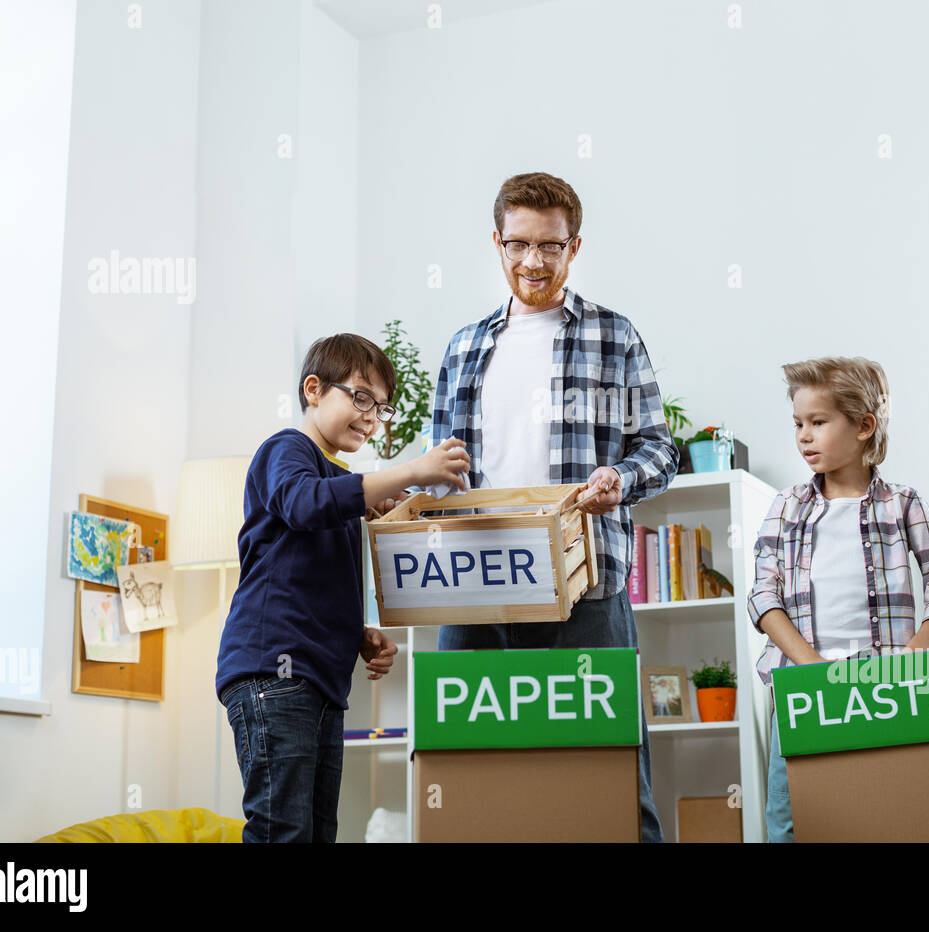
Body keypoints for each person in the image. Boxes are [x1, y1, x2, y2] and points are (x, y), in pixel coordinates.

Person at [423, 172, 678, 842]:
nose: (532, 261)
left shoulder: (613, 337)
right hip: (475, 588)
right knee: (465, 772)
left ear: (575, 246)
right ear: (497, 244)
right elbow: (438, 464)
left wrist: (618, 481)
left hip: (583, 585)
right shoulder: (465, 347)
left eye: (550, 246)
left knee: (613, 774)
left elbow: (659, 448)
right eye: (518, 245)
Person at [216, 333, 470, 842]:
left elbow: (310, 574)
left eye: (381, 407)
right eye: (359, 398)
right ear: (313, 389)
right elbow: (304, 503)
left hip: (322, 683)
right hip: (273, 670)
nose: (371, 417)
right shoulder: (284, 450)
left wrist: (357, 632)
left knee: (316, 832)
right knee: (281, 829)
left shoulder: (337, 483)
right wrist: (411, 469)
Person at [746, 356, 929, 842]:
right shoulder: (786, 507)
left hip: (884, 685)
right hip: (801, 686)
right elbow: (763, 594)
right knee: (790, 817)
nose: (804, 435)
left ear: (864, 426)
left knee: (887, 805)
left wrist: (916, 653)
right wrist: (808, 666)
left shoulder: (902, 503)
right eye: (798, 423)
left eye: (818, 422)